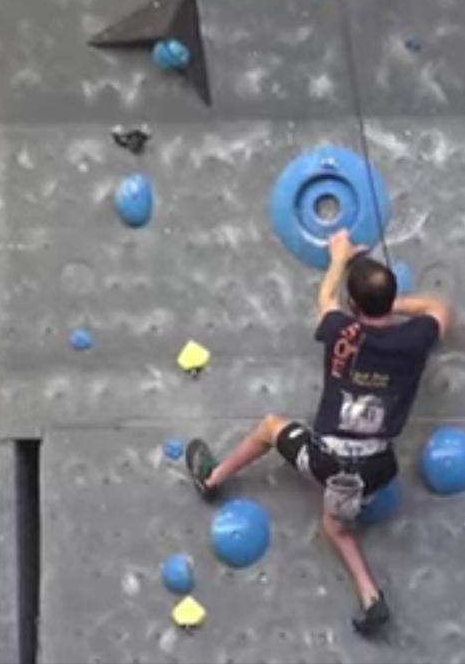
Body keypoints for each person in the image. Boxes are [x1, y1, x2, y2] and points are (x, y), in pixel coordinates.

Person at [185, 228, 451, 636]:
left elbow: (326, 299)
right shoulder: (416, 337)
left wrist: (338, 256)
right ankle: (371, 598)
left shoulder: (341, 330)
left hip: (331, 461)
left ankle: (212, 479)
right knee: (335, 526)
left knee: (271, 428)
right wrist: (391, 305)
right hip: (378, 466)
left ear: (353, 304)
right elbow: (439, 307)